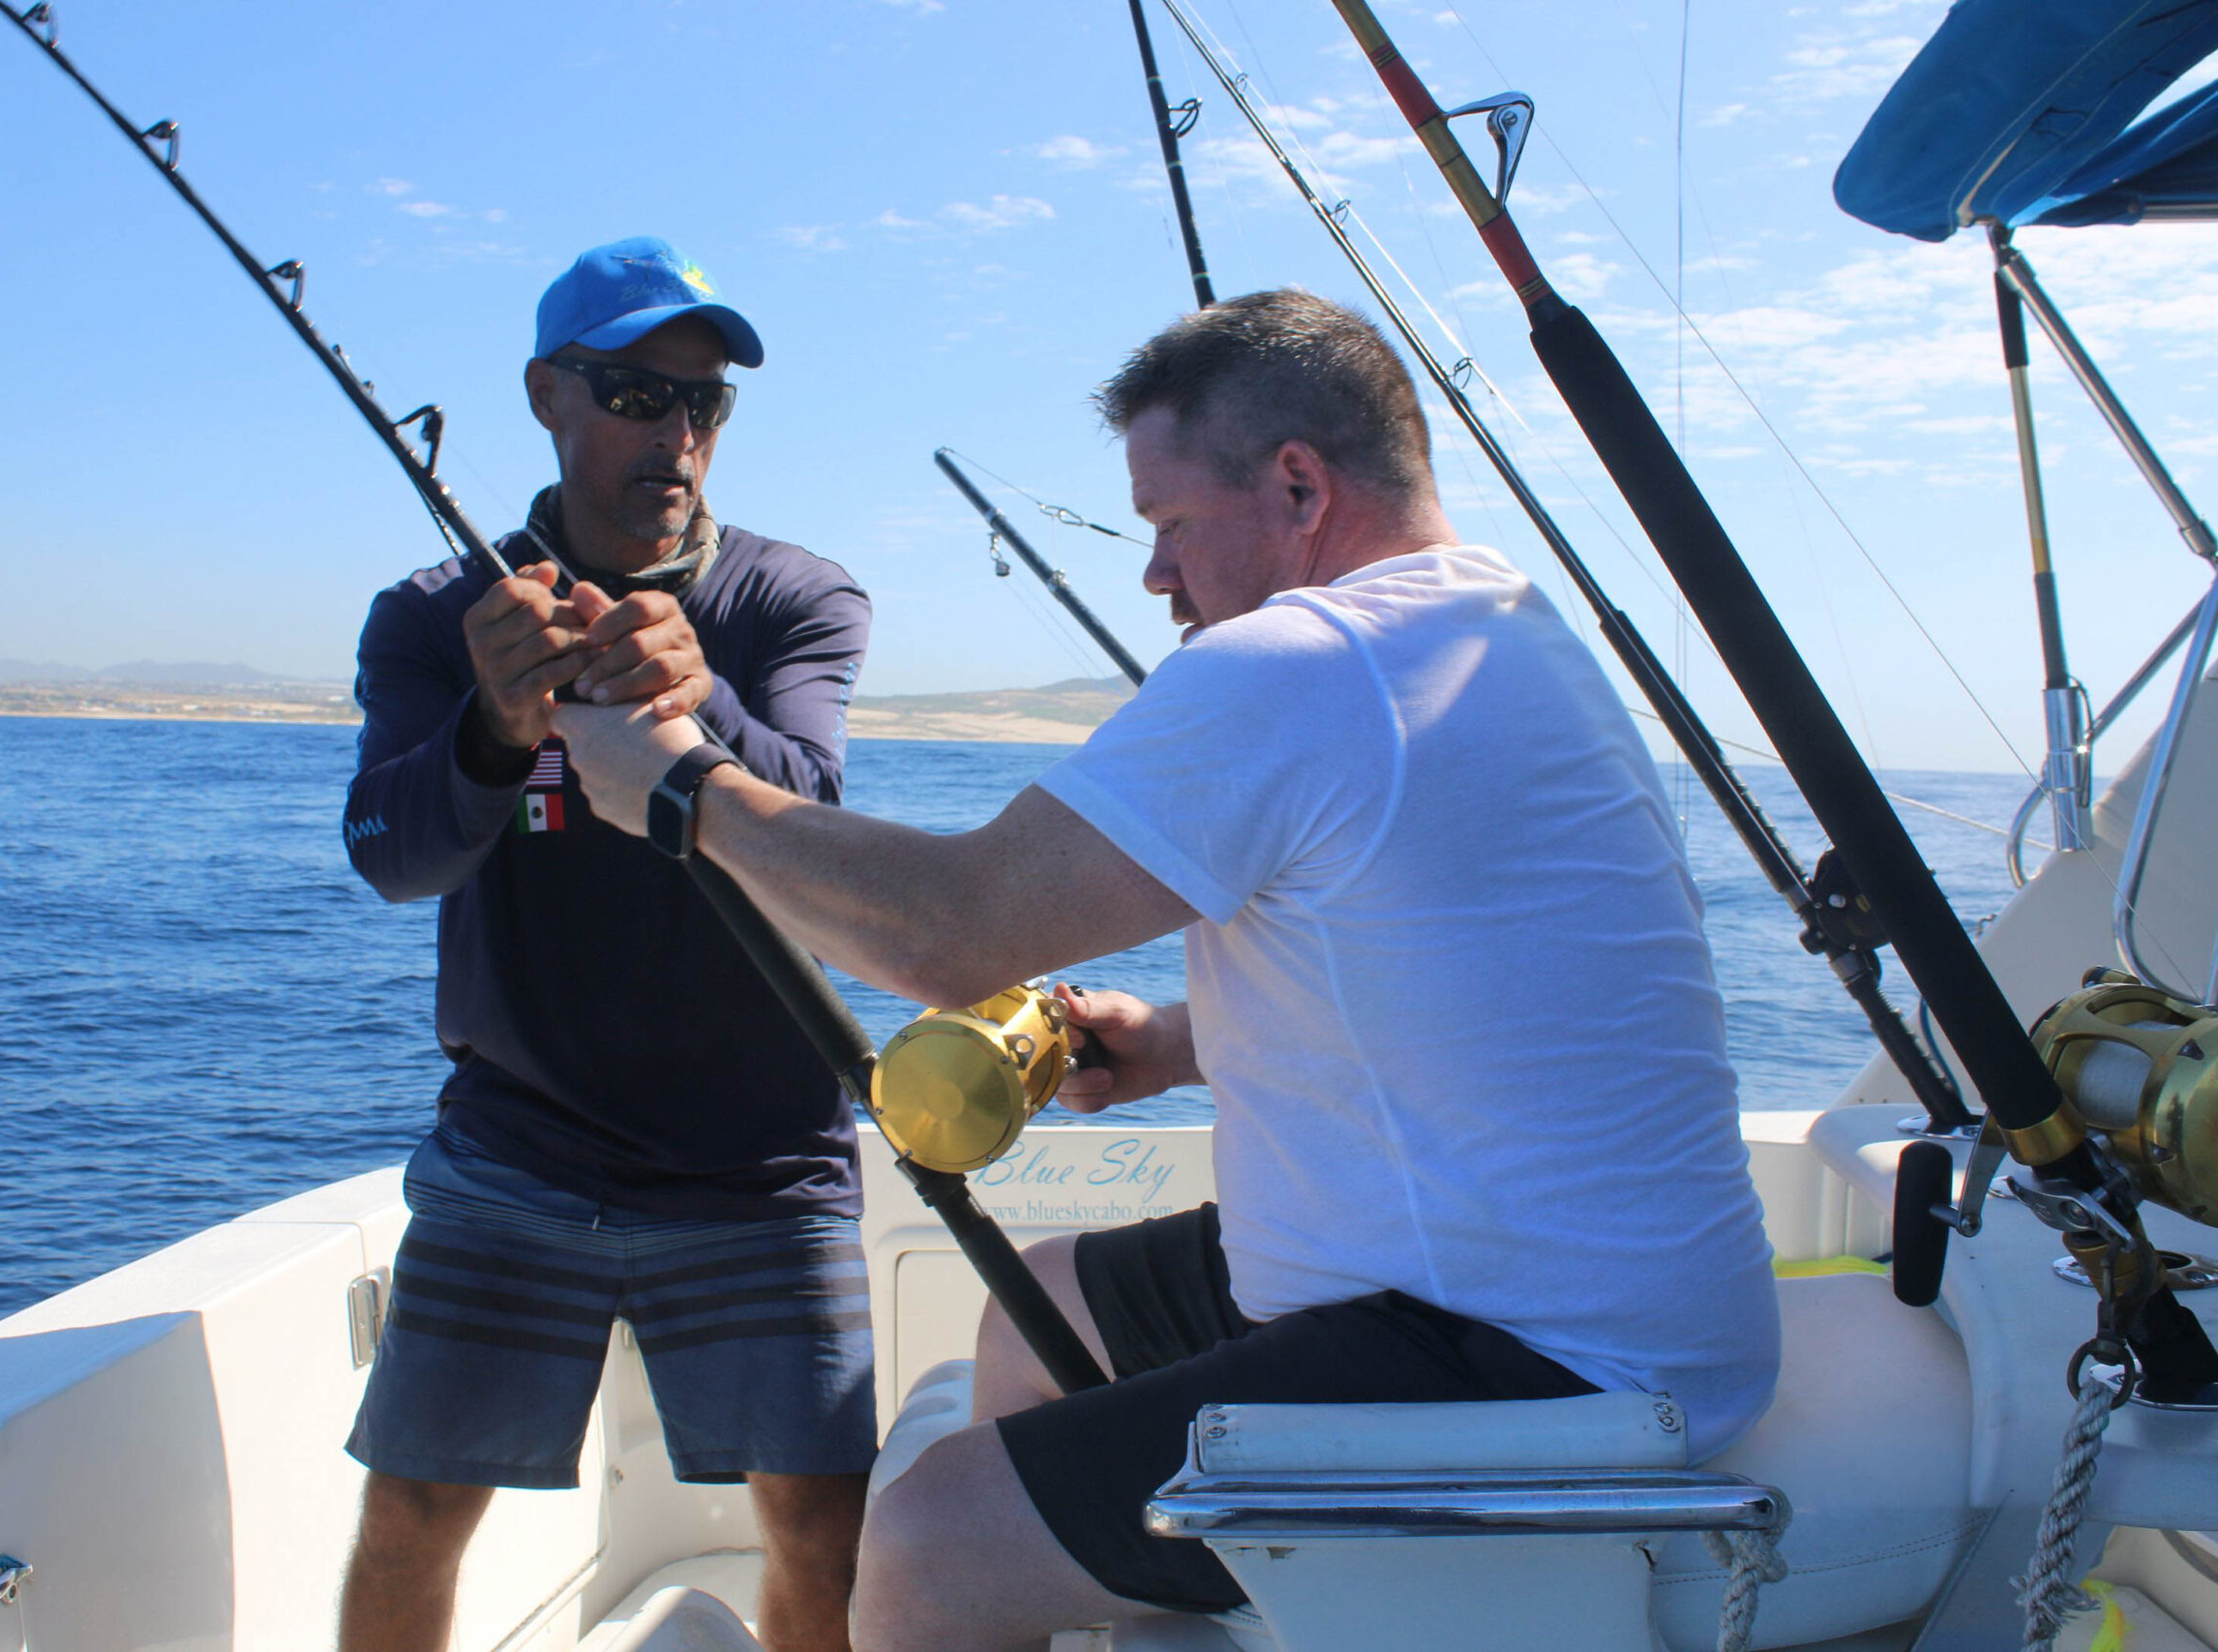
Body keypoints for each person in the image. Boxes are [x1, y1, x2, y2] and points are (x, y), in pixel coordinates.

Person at [554, 289, 1782, 1650]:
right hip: (1559, 1283)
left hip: (1541, 1358)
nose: (1156, 575)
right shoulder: (1496, 623)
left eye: (1170, 525)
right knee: (1043, 1309)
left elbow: (952, 932)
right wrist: (1186, 1038)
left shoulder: (1309, 661)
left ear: (1300, 486)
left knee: (923, 1544)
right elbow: (1470, 967)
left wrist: (683, 795)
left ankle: (1015, 1574)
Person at [336, 237, 875, 1652]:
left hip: (763, 1155)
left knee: (824, 1528)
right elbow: (395, 853)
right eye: (638, 394)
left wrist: (702, 715)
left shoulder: (792, 602)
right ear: (547, 398)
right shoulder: (435, 619)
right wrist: (492, 728)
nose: (679, 434)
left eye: (707, 405)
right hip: (521, 1143)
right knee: (411, 1515)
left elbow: (811, 820)